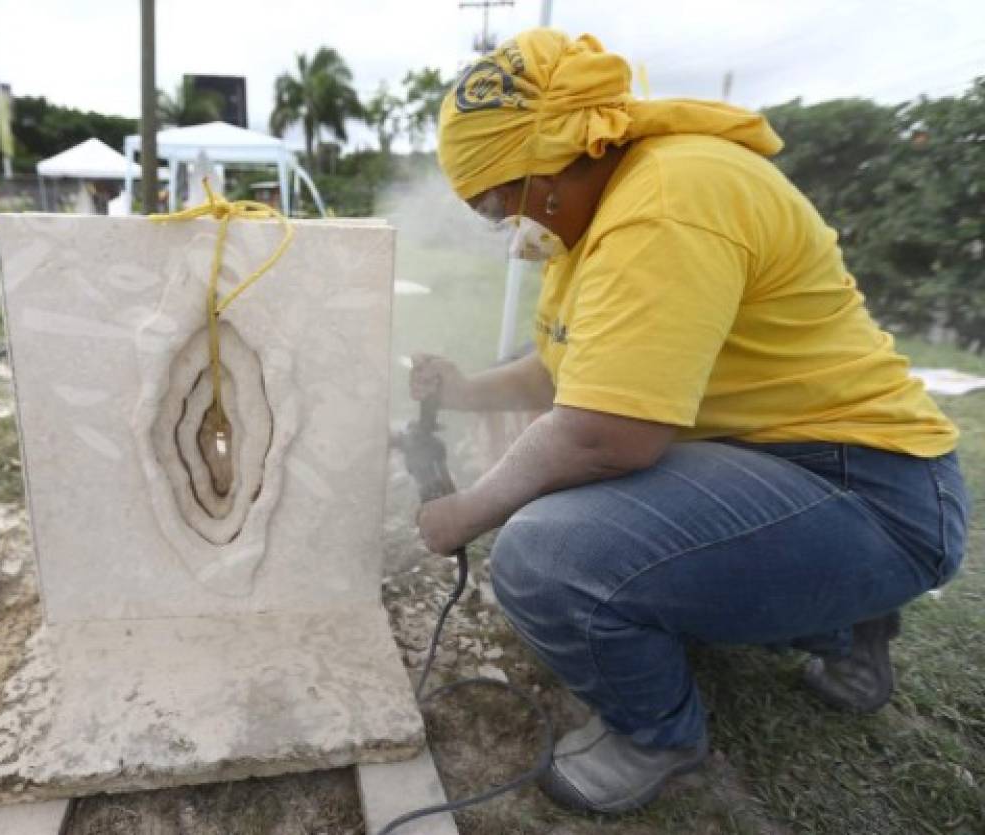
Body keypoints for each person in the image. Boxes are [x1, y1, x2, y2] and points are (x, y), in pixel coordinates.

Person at [412, 28, 969, 815]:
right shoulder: (615, 206)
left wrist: (464, 512)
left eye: (497, 203)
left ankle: (658, 735)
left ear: (550, 162)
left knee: (548, 550)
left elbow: (607, 434)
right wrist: (467, 390)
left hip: (871, 493)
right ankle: (846, 620)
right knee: (579, 516)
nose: (507, 228)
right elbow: (572, 371)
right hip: (808, 474)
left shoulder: (665, 205)